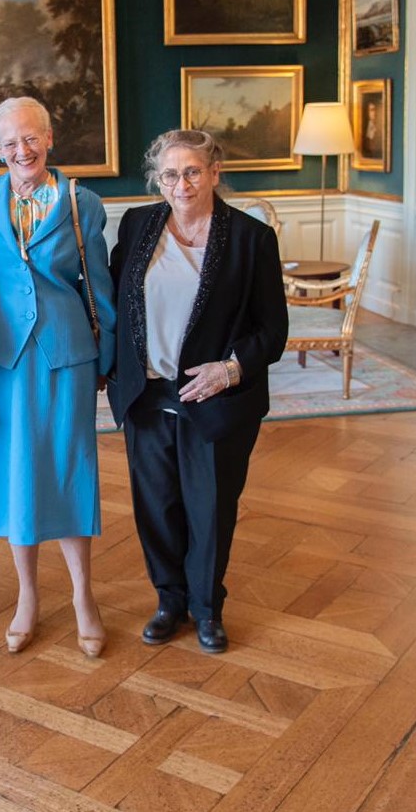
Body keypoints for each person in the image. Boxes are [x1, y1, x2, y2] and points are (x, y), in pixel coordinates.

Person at [108, 129, 287, 654]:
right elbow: (120, 305)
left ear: (213, 173)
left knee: (209, 508)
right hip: (148, 395)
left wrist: (229, 370)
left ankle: (207, 610)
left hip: (217, 398)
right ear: (157, 179)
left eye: (191, 171)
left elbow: (272, 331)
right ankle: (169, 602)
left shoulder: (252, 238)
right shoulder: (139, 224)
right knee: (157, 505)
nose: (181, 183)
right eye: (170, 174)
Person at [0, 96, 116, 658]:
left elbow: (97, 286)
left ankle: (83, 598)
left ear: (49, 139)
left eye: (31, 138)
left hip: (65, 353)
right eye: (10, 142)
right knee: (14, 475)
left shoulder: (82, 202)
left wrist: (106, 359)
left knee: (69, 468)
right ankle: (26, 597)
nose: (21, 150)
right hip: (0, 356)